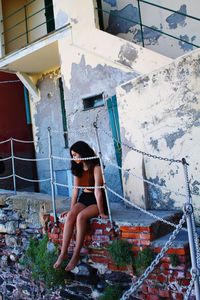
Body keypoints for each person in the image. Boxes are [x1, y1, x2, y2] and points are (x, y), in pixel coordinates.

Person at [53, 141, 108, 271]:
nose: (74, 158)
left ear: (83, 152)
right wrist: (71, 209)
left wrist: (102, 212)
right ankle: (63, 252)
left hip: (96, 200)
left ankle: (76, 255)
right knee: (72, 215)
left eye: (75, 154)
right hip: (84, 198)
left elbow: (98, 191)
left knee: (81, 217)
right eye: (72, 155)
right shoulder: (77, 168)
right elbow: (75, 191)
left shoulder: (96, 167)